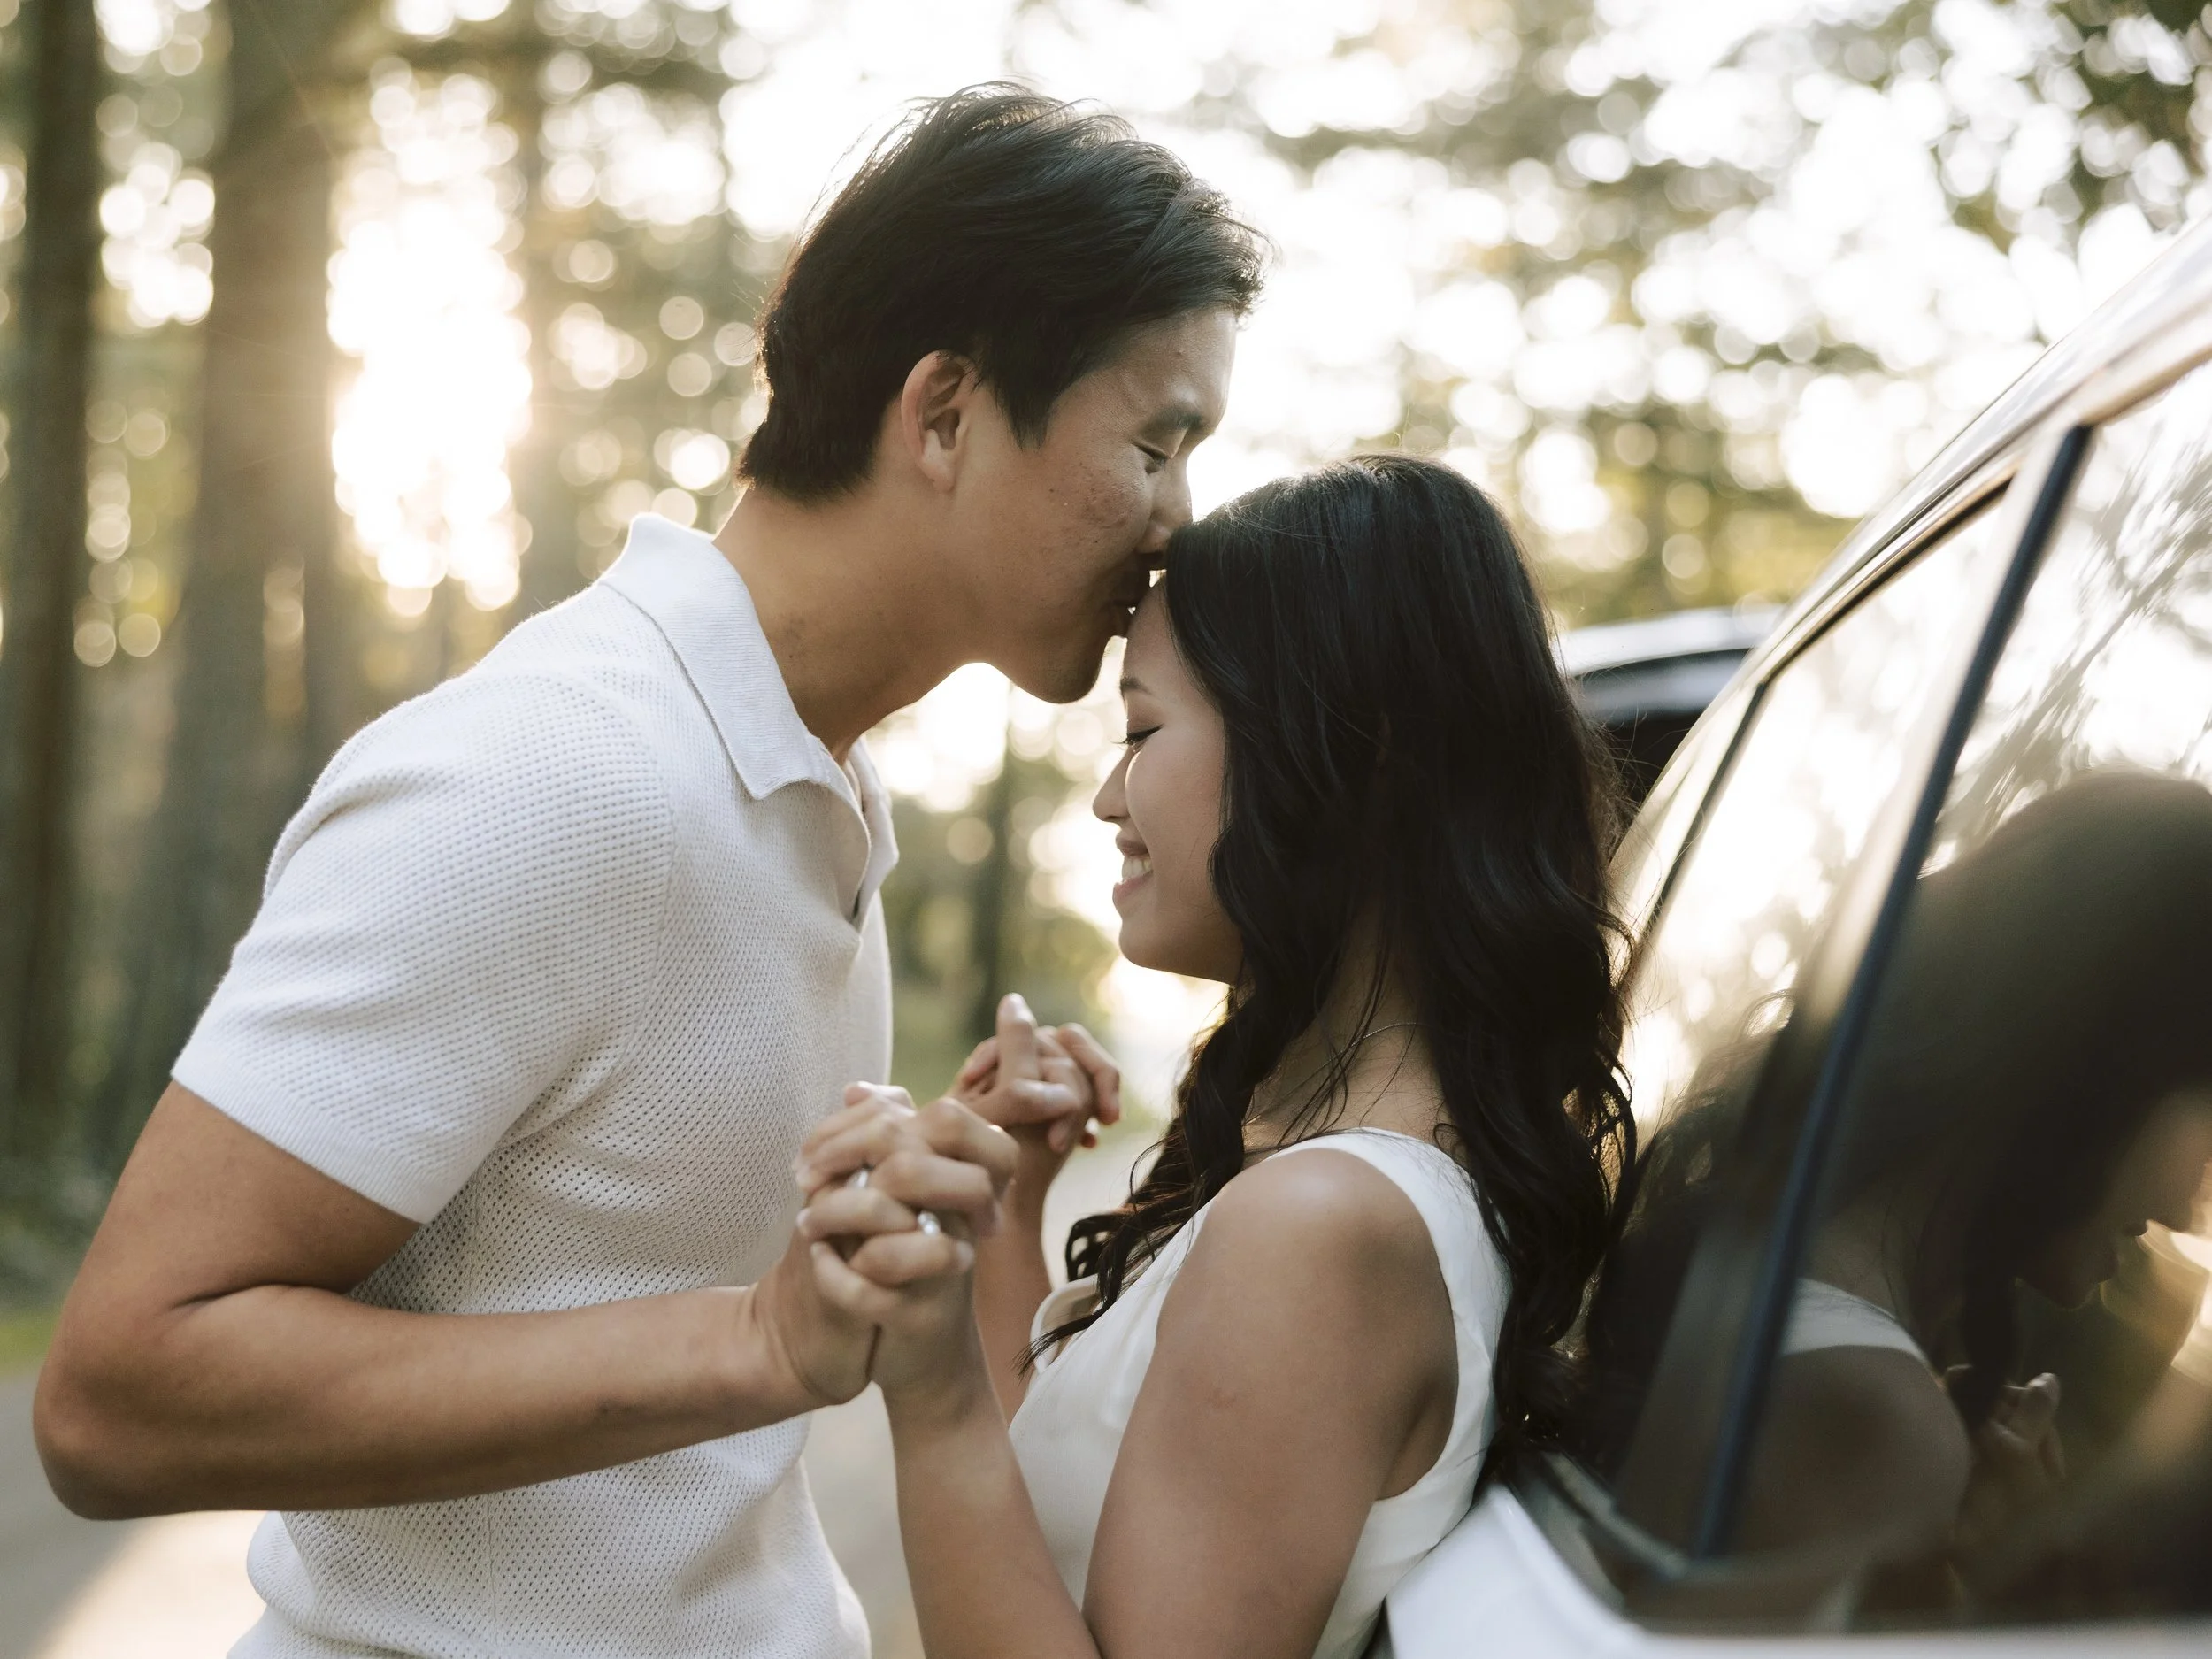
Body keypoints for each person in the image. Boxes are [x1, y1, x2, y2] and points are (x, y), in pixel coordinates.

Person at [35, 87, 1262, 1659]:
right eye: (1157, 440)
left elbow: (596, 1210)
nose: (1176, 519)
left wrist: (921, 1191)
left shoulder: (813, 779)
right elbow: (118, 1390)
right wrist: (759, 1338)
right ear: (945, 412)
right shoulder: (548, 777)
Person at [792, 455, 1640, 1659]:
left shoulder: (1322, 1226)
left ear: (1355, 745)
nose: (1104, 797)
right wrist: (1002, 1219)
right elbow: (1087, 1509)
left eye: (1141, 727)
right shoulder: (1356, 1174)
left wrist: (928, 1400)